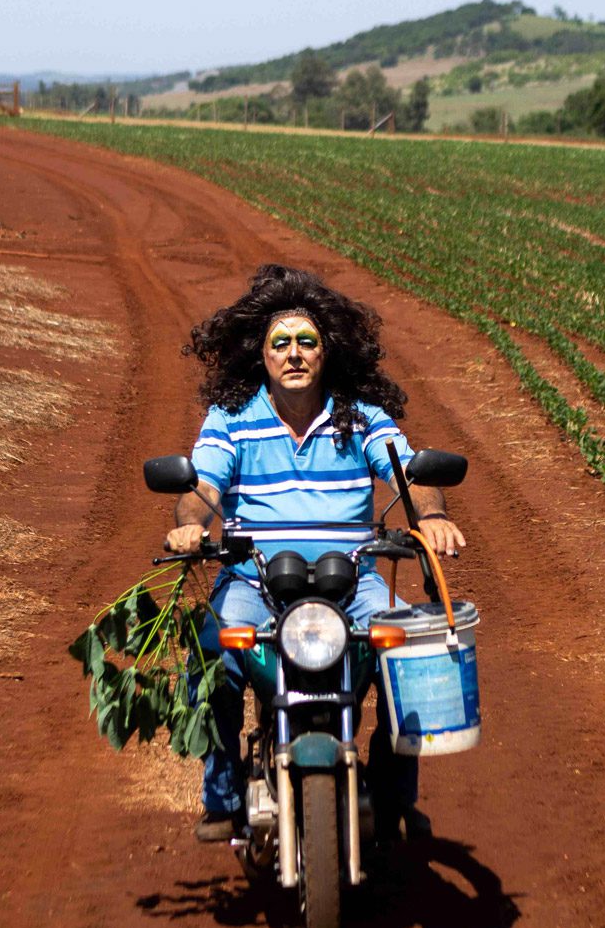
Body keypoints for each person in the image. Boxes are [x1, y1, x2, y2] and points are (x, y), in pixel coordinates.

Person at [166, 264, 466, 845]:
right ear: (262, 354)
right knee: (211, 659)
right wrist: (190, 529)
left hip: (353, 582)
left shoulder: (360, 416)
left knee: (409, 655)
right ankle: (223, 794)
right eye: (282, 343)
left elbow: (407, 470)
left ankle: (396, 792)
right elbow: (200, 489)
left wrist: (430, 516)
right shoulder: (232, 421)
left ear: (329, 352)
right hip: (253, 583)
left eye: (308, 342)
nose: (295, 354)